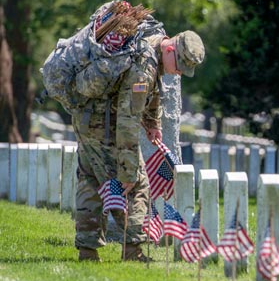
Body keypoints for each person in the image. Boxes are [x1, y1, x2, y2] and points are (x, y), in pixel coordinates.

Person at [74, 27, 205, 262]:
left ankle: (88, 251)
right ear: (170, 49)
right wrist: (128, 168)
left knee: (91, 182)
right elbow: (127, 120)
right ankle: (132, 250)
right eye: (180, 65)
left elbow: (153, 92)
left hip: (87, 121)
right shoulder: (144, 67)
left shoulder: (151, 47)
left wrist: (153, 122)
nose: (179, 73)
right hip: (107, 128)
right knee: (137, 186)